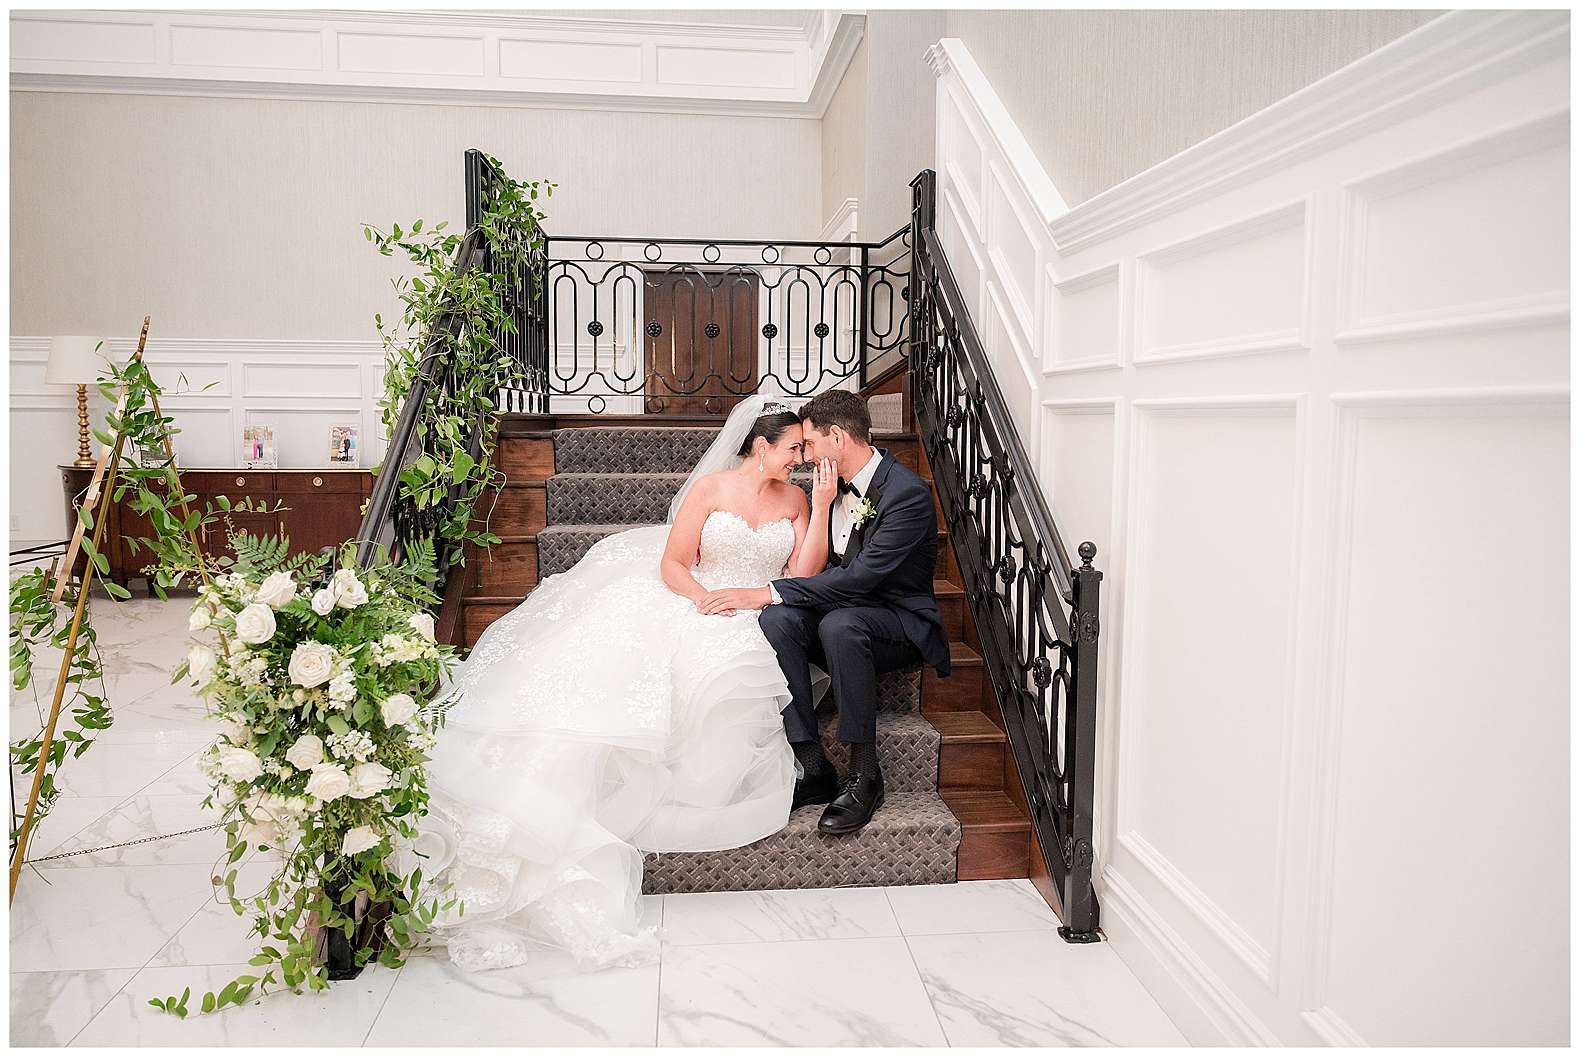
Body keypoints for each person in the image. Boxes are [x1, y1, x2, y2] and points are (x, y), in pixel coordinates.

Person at [404, 394, 839, 971]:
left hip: (757, 607)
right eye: (793, 449)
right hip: (704, 599)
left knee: (737, 666)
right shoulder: (711, 491)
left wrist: (826, 505)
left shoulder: (799, 497)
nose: (801, 459)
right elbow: (674, 564)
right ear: (760, 447)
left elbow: (800, 575)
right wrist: (703, 599)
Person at [694, 389, 950, 836]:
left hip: (897, 623)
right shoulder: (827, 487)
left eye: (808, 443)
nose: (804, 455)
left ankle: (865, 774)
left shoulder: (905, 494)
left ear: (836, 436)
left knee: (834, 621)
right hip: (842, 615)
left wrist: (766, 591)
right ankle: (812, 765)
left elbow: (859, 580)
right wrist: (824, 505)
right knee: (779, 621)